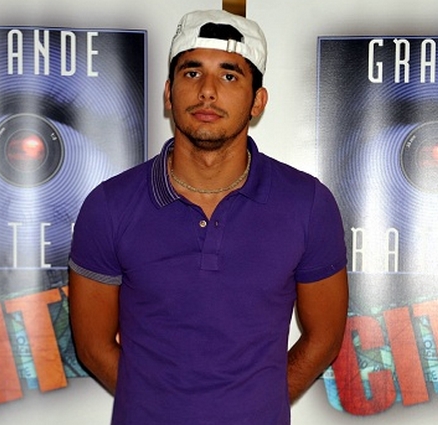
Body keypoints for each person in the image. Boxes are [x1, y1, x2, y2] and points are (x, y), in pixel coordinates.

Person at [69, 9, 348, 425]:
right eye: (192, 72)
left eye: (229, 76)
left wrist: (256, 405)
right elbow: (92, 346)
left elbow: (325, 337)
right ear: (169, 93)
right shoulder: (109, 205)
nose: (207, 91)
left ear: (257, 101)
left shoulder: (308, 204)